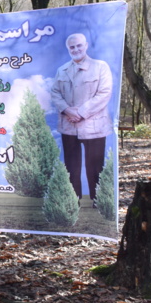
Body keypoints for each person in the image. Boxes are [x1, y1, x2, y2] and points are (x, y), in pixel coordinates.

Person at [50, 33, 113, 206]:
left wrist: (81, 112)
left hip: (94, 127)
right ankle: (73, 200)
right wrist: (67, 110)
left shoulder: (100, 67)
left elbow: (104, 93)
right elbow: (55, 93)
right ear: (68, 49)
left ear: (86, 45)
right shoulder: (62, 70)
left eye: (79, 46)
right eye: (72, 47)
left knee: (95, 166)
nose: (76, 49)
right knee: (72, 166)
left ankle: (98, 200)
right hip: (68, 127)